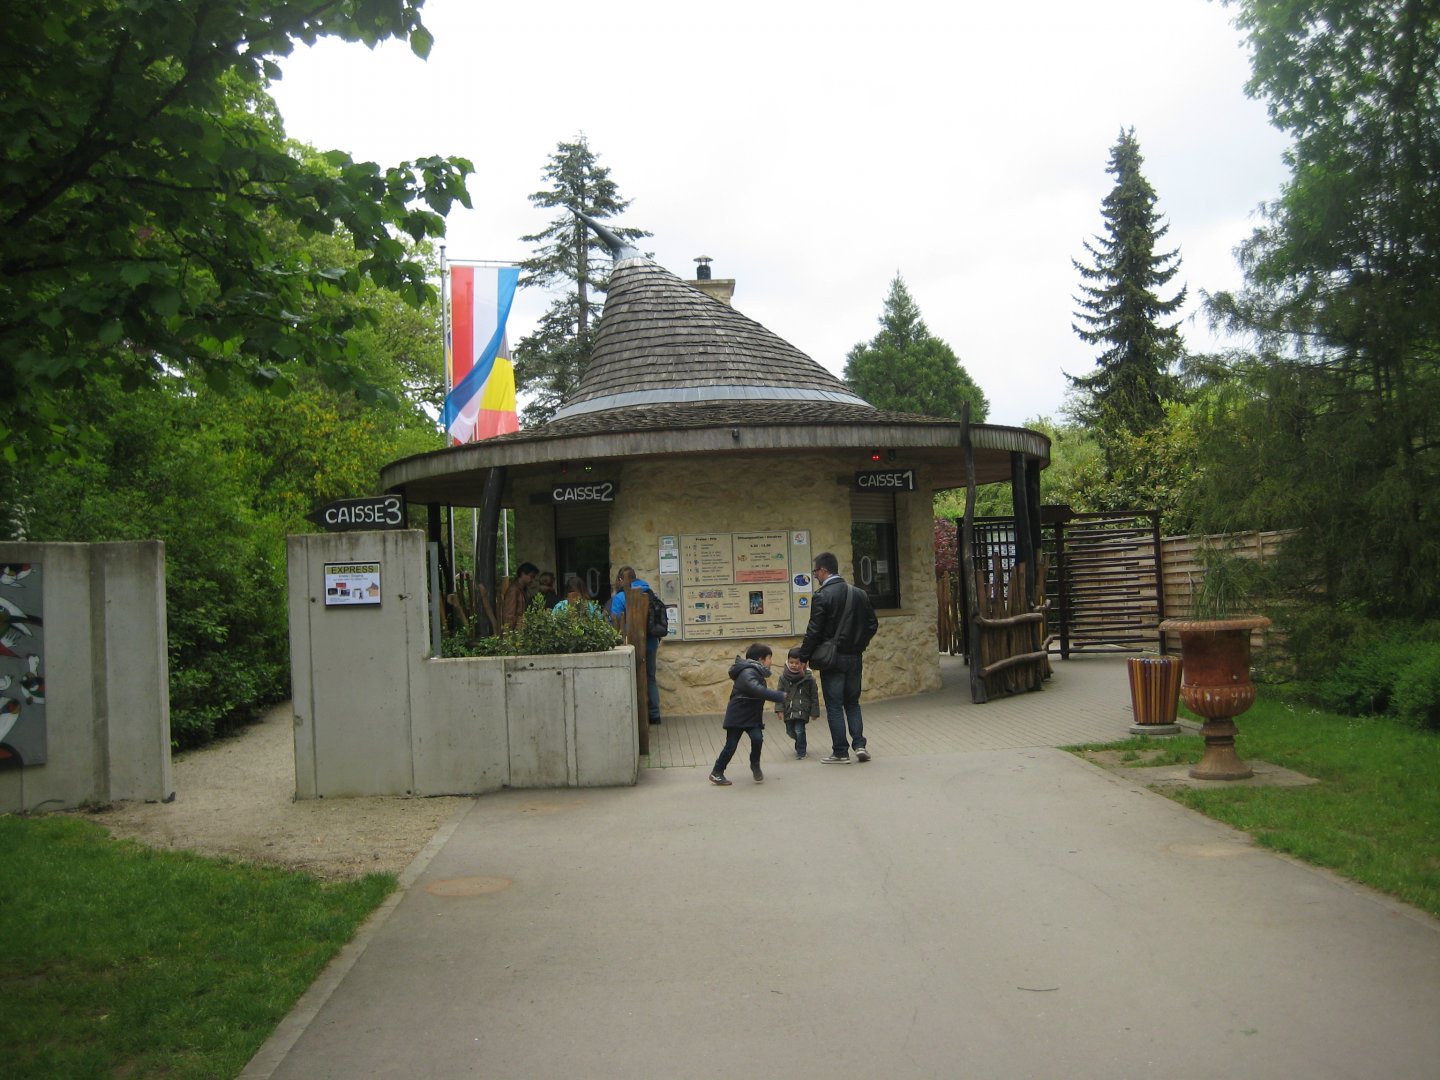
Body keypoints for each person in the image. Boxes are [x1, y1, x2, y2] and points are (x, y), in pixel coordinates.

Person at [798, 550, 878, 764]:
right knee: (853, 702)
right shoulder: (859, 594)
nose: (815, 576)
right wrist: (859, 644)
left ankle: (840, 752)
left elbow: (813, 631)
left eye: (815, 571)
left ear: (824, 570)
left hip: (832, 660)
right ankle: (860, 745)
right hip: (855, 657)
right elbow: (872, 625)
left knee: (834, 705)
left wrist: (803, 656)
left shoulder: (822, 596)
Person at [710, 643, 786, 786]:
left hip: (752, 716)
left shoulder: (755, 671)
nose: (771, 662)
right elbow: (757, 690)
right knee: (731, 745)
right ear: (761, 659)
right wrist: (780, 696)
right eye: (770, 658)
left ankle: (755, 764)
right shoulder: (748, 672)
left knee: (757, 739)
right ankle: (717, 772)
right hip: (738, 715)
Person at [610, 564, 666, 725]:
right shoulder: (649, 592)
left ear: (621, 580)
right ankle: (654, 715)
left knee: (632, 679)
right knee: (650, 678)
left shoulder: (621, 597)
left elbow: (613, 621)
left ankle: (636, 717)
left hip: (630, 645)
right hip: (650, 643)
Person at [774, 647, 820, 760]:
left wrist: (815, 712)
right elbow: (779, 693)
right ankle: (800, 741)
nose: (794, 665)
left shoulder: (809, 679)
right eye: (791, 662)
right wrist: (779, 709)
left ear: (803, 664)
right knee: (790, 731)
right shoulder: (783, 677)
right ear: (787, 661)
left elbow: (814, 696)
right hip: (788, 709)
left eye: (797, 663)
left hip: (802, 709)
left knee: (799, 730)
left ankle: (801, 751)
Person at [499, 562, 539, 630]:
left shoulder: (524, 590)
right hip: (515, 631)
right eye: (531, 576)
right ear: (523, 574)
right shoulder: (513, 590)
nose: (532, 580)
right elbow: (509, 615)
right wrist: (510, 634)